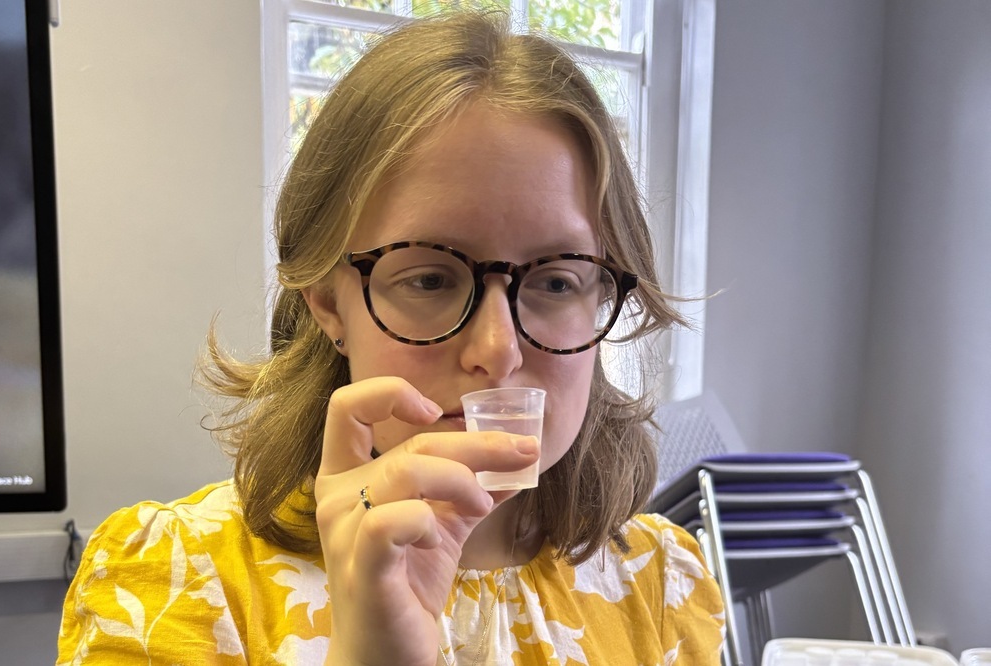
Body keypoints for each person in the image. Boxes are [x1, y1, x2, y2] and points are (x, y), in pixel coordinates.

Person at [57, 10, 725, 666]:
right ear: (327, 303)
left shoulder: (663, 584)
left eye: (555, 283)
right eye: (432, 280)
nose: (497, 349)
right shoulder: (174, 585)